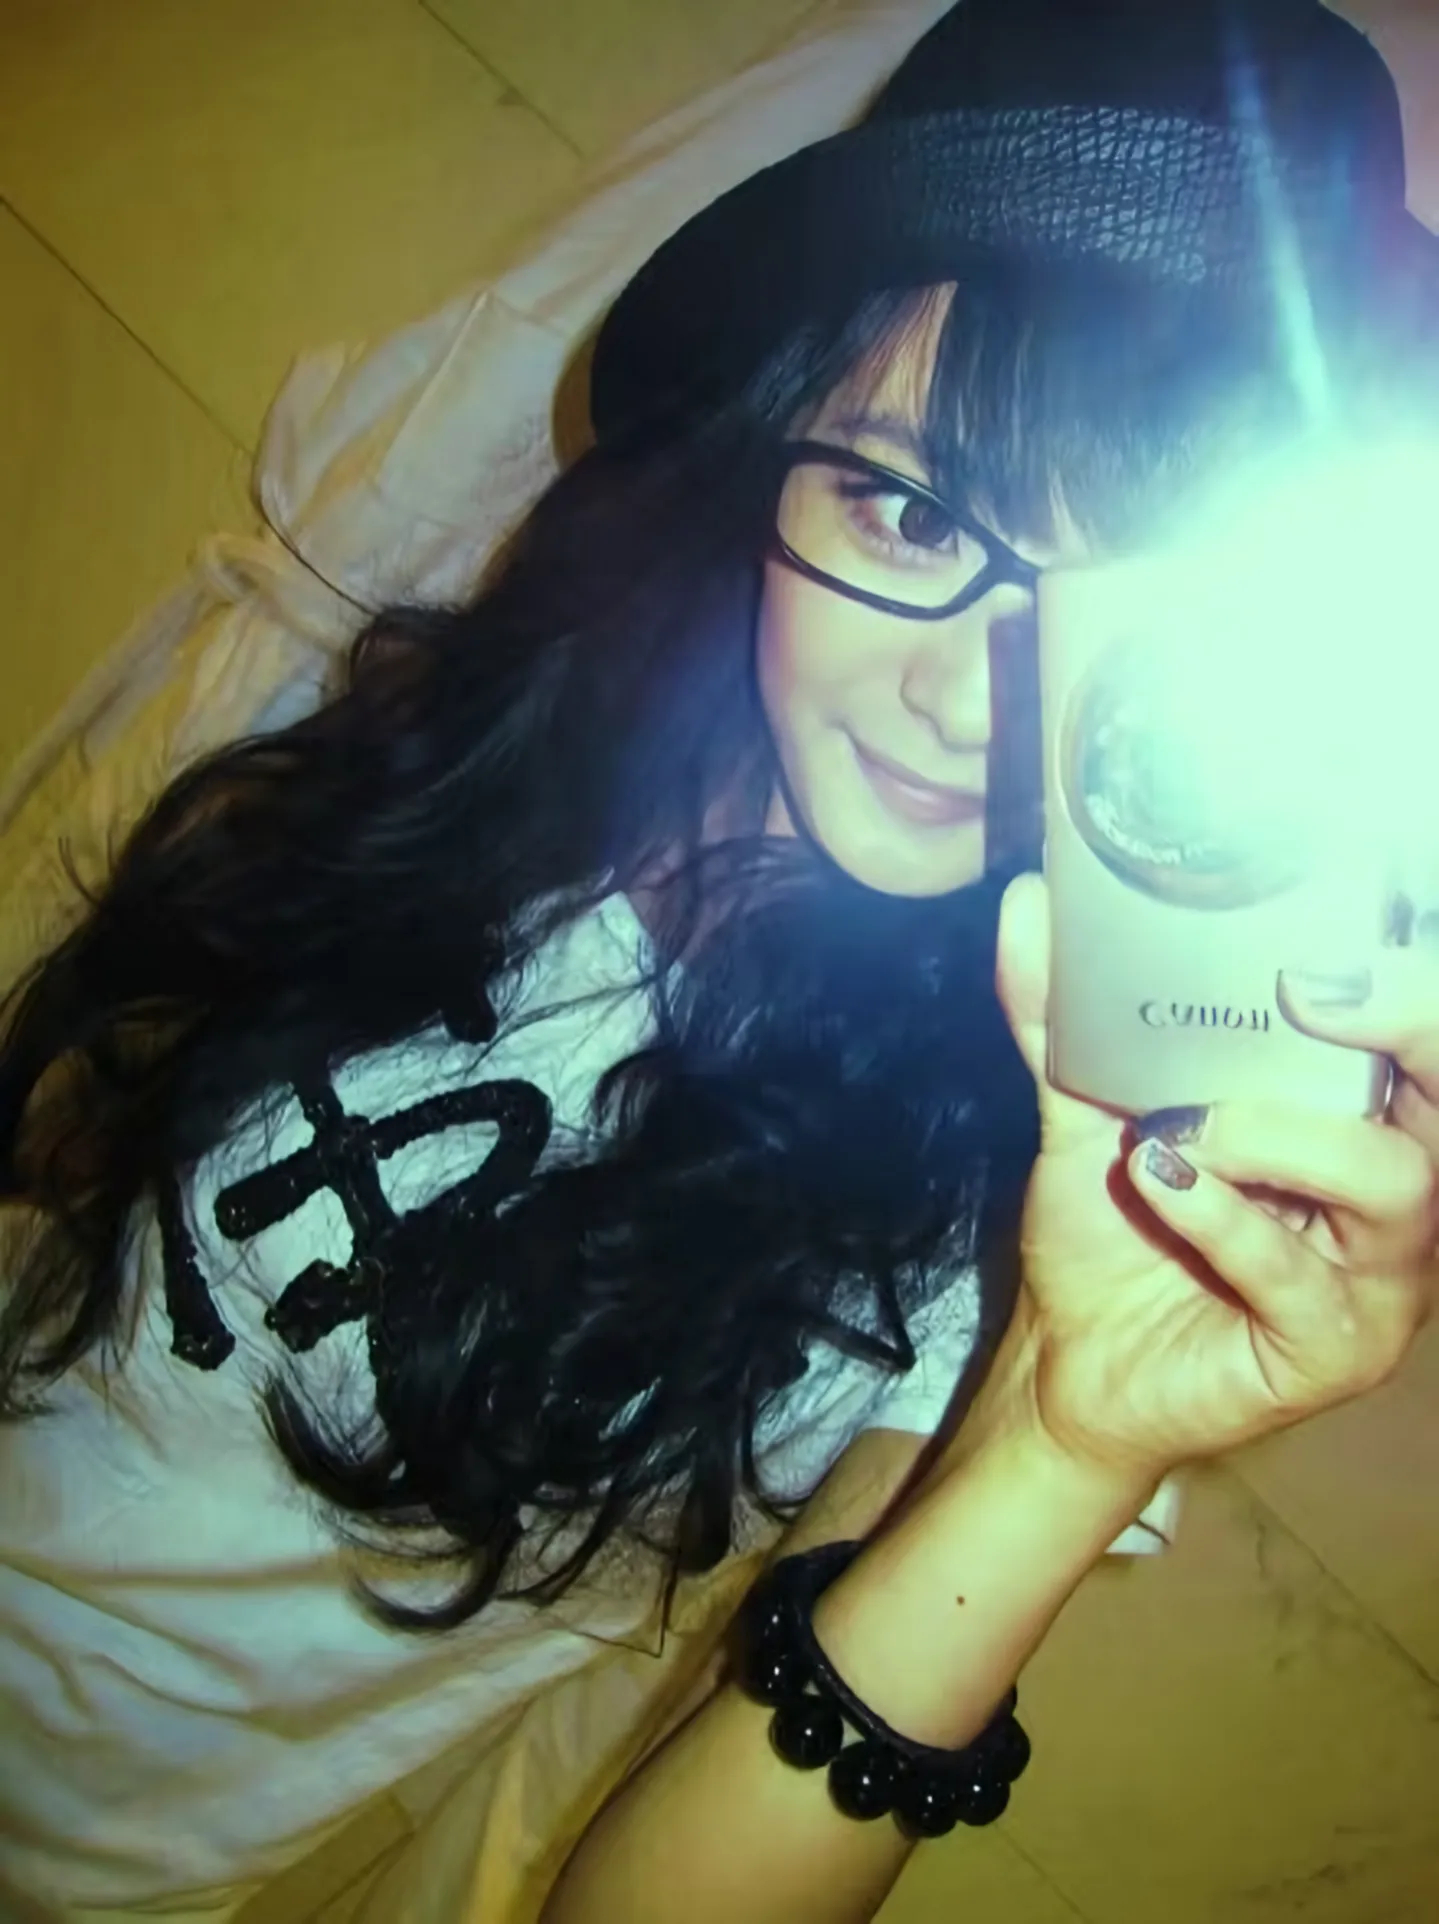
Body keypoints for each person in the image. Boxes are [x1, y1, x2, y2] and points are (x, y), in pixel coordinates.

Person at [2, 2, 1437, 1920]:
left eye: (1108, 614)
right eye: (909, 512)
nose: (965, 704)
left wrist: (1062, 1444)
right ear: (773, 450)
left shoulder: (1066, 1189)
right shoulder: (503, 727)